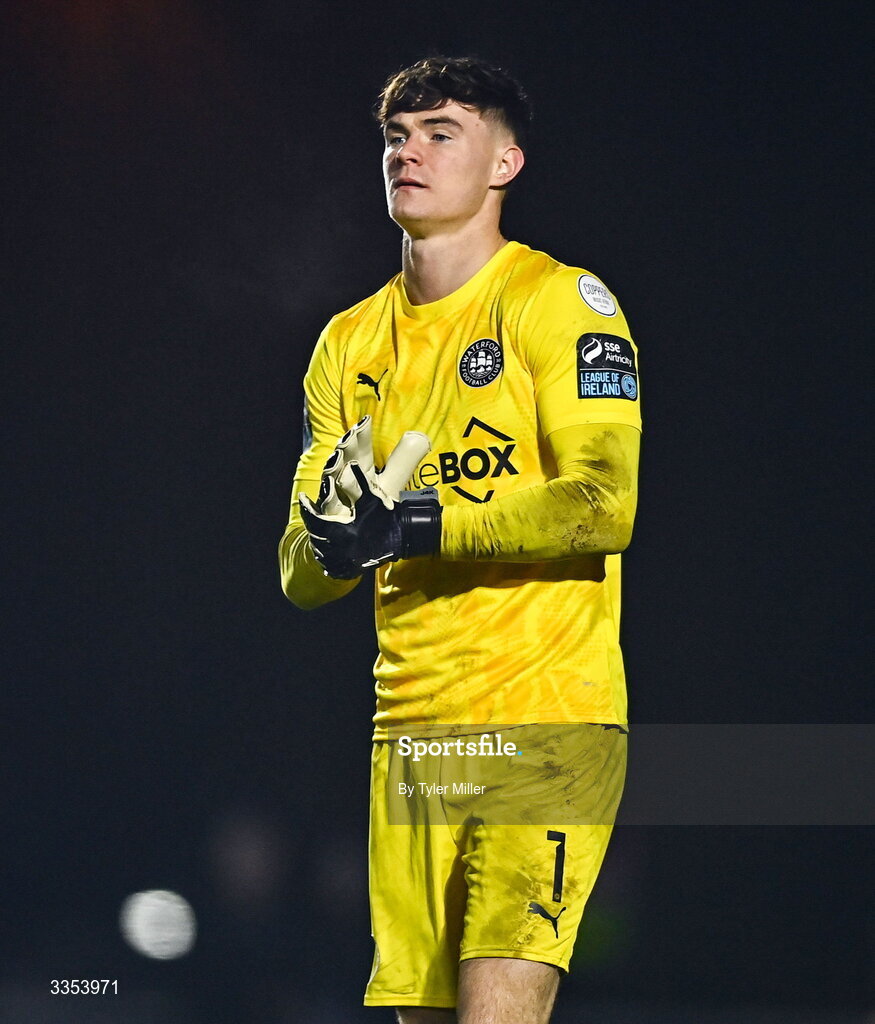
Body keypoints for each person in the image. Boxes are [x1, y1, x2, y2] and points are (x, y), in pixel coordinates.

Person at [279, 56, 642, 1024]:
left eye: (441, 132)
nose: (409, 151)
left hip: (544, 717)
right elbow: (299, 578)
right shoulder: (347, 343)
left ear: (503, 162)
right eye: (396, 136)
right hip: (408, 737)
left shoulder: (560, 303)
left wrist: (423, 522)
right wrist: (336, 543)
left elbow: (602, 504)